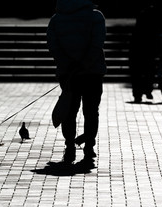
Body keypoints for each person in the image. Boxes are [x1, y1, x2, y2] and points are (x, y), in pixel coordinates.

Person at [47, 0, 106, 164]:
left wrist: (68, 65)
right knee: (91, 112)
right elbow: (97, 43)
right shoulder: (95, 17)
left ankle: (70, 147)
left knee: (69, 111)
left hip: (68, 73)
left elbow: (53, 46)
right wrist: (84, 64)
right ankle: (89, 147)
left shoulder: (56, 19)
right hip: (93, 72)